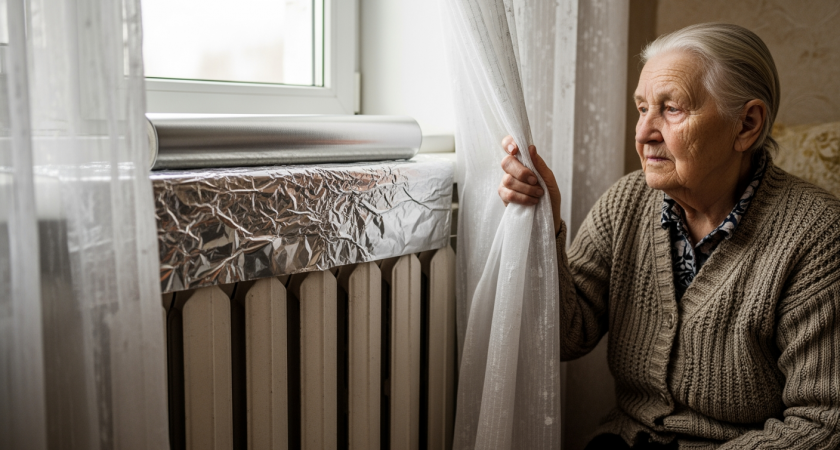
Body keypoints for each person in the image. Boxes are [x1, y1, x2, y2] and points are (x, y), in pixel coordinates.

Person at [498, 23, 840, 449]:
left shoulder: (818, 235)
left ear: (746, 125)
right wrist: (543, 228)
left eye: (672, 109)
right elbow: (567, 334)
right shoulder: (626, 202)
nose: (643, 133)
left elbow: (823, 423)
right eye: (642, 109)